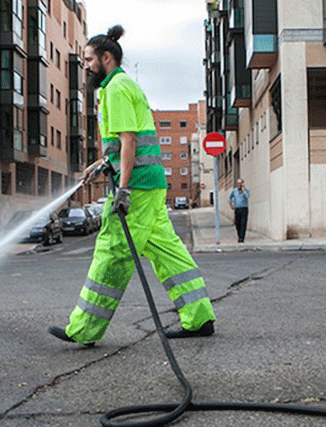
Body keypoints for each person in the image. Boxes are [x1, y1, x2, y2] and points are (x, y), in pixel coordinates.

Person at [48, 25, 216, 346]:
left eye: (88, 60)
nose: (84, 66)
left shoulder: (115, 88)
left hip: (136, 188)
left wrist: (122, 190)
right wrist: (100, 165)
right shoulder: (124, 86)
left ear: (106, 58)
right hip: (150, 184)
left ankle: (83, 329)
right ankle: (199, 316)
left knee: (113, 251)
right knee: (167, 251)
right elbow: (124, 143)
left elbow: (129, 140)